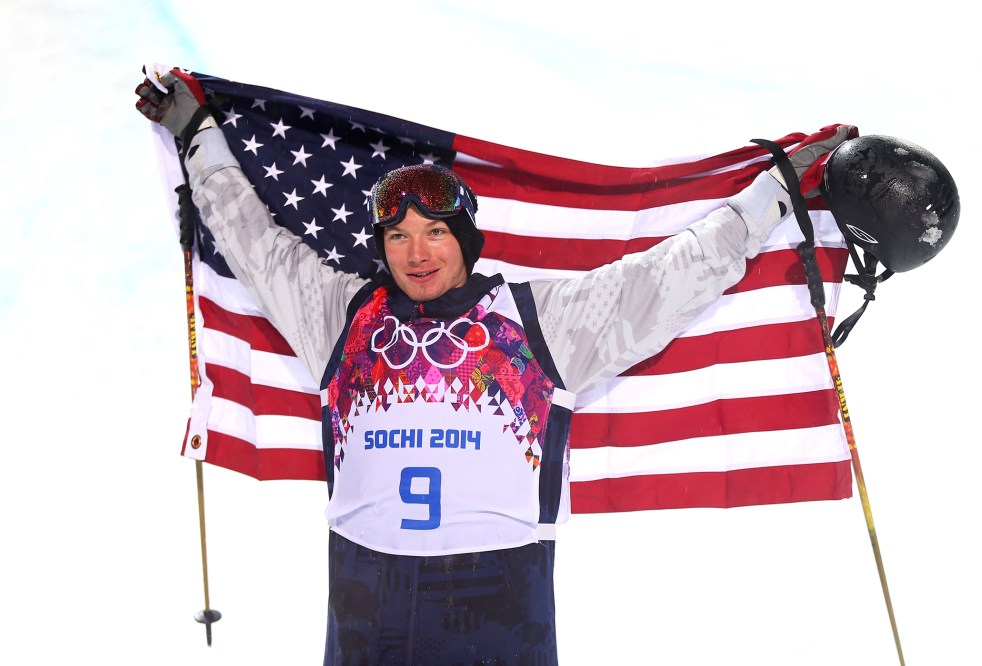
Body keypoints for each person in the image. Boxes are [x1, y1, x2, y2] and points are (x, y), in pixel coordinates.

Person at [136, 68, 851, 665]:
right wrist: (197, 132)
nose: (418, 252)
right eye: (399, 236)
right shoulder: (341, 317)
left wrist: (778, 189)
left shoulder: (537, 322)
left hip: (498, 610)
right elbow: (253, 241)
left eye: (435, 232)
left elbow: (675, 275)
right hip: (364, 612)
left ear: (465, 240)